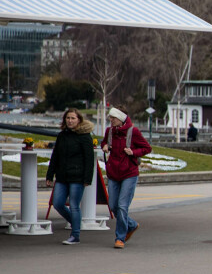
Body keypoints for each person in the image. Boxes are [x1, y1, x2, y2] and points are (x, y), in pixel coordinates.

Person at [102, 106, 151, 249]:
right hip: (113, 173)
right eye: (110, 118)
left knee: (122, 206)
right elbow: (104, 142)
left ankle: (120, 238)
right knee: (113, 206)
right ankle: (131, 224)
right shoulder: (109, 132)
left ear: (121, 118)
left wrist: (133, 152)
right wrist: (104, 146)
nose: (111, 120)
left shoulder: (133, 132)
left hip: (129, 174)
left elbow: (147, 148)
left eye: (113, 118)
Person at [45, 108, 95, 246]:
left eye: (73, 118)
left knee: (74, 205)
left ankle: (75, 235)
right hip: (62, 176)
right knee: (58, 203)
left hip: (77, 177)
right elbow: (55, 156)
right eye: (68, 118)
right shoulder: (62, 136)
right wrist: (50, 174)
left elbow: (89, 159)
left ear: (79, 120)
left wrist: (87, 179)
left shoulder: (85, 137)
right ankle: (76, 222)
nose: (70, 121)